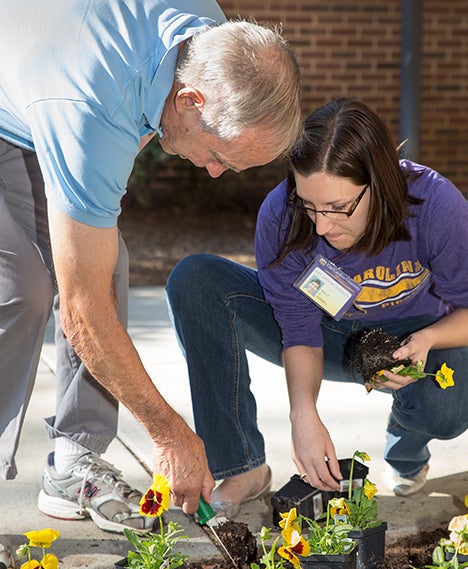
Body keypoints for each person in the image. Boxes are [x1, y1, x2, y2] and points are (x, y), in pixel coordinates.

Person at [0, 0, 302, 534]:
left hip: (46, 87)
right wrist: (169, 435)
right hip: (37, 93)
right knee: (19, 289)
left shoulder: (206, 33)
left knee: (106, 269)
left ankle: (73, 464)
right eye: (219, 155)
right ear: (189, 100)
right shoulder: (91, 105)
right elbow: (81, 312)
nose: (213, 173)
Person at [166, 97, 468, 517]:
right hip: (323, 331)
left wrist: (429, 338)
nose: (321, 226)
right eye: (309, 204)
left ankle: (406, 441)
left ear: (378, 183)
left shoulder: (435, 206)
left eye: (338, 208)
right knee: (196, 280)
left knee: (452, 408)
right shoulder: (283, 215)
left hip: (412, 335)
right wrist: (302, 414)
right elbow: (298, 328)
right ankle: (242, 466)